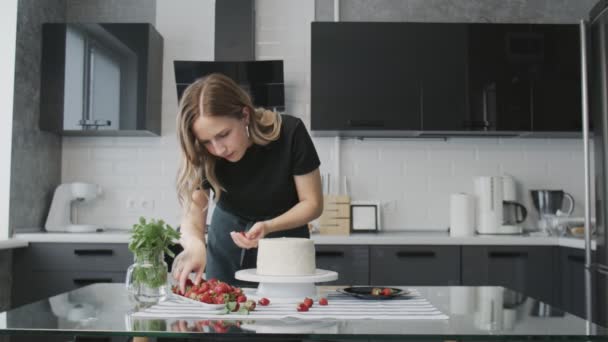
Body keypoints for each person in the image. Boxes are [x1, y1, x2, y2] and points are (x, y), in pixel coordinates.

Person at [172, 73, 323, 292]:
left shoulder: (291, 132)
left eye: (223, 134)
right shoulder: (203, 152)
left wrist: (270, 226)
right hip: (227, 240)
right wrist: (195, 245)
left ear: (245, 115)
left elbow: (313, 203)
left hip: (286, 243)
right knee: (224, 319)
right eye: (207, 142)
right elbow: (192, 214)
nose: (218, 149)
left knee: (287, 319)